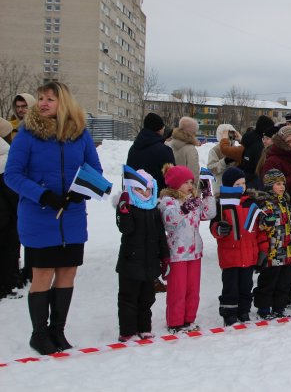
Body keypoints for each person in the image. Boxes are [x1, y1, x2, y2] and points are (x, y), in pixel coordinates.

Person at [5, 81, 103, 355]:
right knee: (43, 274)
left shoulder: (80, 133)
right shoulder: (27, 133)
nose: (43, 103)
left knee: (68, 272)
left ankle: (58, 331)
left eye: (50, 98)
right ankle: (39, 334)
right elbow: (12, 175)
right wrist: (43, 195)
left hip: (71, 218)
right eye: (41, 98)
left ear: (64, 102)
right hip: (39, 217)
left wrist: (81, 191)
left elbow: (94, 169)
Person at [158, 164, 216, 333]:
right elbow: (169, 219)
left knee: (192, 289)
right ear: (175, 184)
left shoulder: (193, 200)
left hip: (194, 251)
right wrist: (184, 208)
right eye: (185, 182)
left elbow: (209, 213)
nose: (190, 185)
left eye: (191, 182)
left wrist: (207, 194)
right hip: (177, 253)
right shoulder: (167, 201)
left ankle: (189, 319)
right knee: (178, 289)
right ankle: (175, 322)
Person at [114, 169, 169, 341]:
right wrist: (123, 211)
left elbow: (160, 235)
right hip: (130, 262)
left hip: (150, 262)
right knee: (128, 298)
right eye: (139, 189)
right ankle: (127, 330)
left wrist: (165, 257)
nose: (145, 193)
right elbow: (126, 229)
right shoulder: (128, 206)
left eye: (148, 189)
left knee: (147, 298)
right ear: (131, 189)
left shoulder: (154, 208)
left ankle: (144, 327)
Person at [210, 167, 260, 325]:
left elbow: (258, 228)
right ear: (228, 186)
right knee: (230, 287)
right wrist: (219, 228)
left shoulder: (251, 203)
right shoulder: (222, 204)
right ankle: (229, 313)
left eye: (243, 183)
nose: (242, 187)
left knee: (246, 285)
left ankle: (244, 310)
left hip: (249, 254)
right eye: (237, 184)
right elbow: (213, 227)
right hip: (230, 255)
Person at [251, 169, 291, 320]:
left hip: (287, 250)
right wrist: (266, 222)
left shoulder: (286, 202)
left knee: (284, 282)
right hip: (273, 251)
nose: (282, 186)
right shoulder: (265, 204)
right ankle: (264, 308)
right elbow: (260, 226)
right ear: (269, 185)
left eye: (283, 183)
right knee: (268, 281)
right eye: (278, 184)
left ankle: (279, 307)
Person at [0, 117, 22, 299]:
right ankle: (7, 285)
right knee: (8, 249)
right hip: (7, 217)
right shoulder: (7, 158)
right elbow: (12, 192)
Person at [126, 112, 175, 193]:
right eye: (163, 127)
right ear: (159, 129)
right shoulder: (164, 150)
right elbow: (172, 179)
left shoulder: (133, 148)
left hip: (136, 195)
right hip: (157, 197)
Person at [261, 125, 291, 193]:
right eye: (289, 141)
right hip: (282, 199)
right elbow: (271, 188)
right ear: (281, 142)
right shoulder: (272, 161)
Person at [239, 115, 276, 189]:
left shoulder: (247, 137)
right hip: (255, 180)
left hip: (245, 174)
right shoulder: (260, 144)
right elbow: (260, 166)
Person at [206, 123, 240, 195]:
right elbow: (211, 169)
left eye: (232, 134)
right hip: (220, 189)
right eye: (228, 135)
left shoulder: (236, 149)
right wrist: (224, 162)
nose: (230, 137)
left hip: (235, 188)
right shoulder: (215, 150)